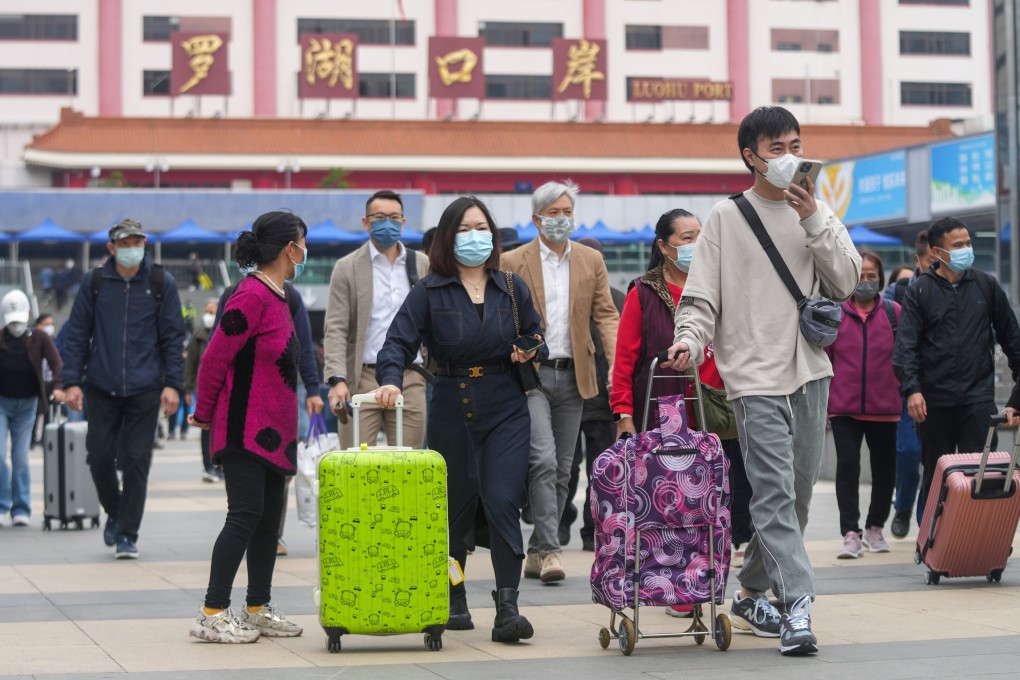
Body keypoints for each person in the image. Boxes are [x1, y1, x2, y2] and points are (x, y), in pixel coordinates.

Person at [666, 106, 861, 656]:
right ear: (751, 156)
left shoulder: (820, 214)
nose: (790, 157)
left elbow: (845, 282)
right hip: (752, 378)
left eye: (795, 144)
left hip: (810, 371)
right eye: (777, 148)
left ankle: (750, 592)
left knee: (796, 500)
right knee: (774, 495)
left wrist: (814, 220)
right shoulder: (725, 218)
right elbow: (701, 298)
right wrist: (690, 339)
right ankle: (797, 606)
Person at [374, 196, 547, 643]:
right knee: (452, 512)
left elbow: (536, 334)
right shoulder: (428, 291)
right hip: (451, 405)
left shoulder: (511, 287)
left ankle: (507, 607)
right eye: (466, 229)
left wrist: (529, 347)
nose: (476, 236)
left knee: (503, 500)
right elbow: (395, 344)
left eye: (482, 227)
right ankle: (454, 596)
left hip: (506, 405)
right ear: (449, 238)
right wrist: (390, 381)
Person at [610, 209, 754, 617]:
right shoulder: (643, 292)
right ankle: (679, 586)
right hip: (668, 411)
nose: (695, 245)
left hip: (721, 410)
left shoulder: (722, 286)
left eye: (700, 236)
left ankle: (713, 575)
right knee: (676, 505)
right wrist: (623, 414)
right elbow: (625, 361)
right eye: (686, 237)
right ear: (663, 246)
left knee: (724, 500)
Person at [188, 211, 308, 644]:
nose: (303, 252)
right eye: (301, 243)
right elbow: (215, 357)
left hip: (275, 433)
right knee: (244, 515)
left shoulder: (279, 295)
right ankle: (212, 610)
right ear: (287, 248)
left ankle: (257, 607)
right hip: (243, 428)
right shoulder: (251, 295)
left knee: (268, 519)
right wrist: (203, 413)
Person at [501, 180, 620, 584]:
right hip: (530, 376)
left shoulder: (590, 260)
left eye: (567, 212)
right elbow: (503, 317)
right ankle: (551, 551)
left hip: (576, 375)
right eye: (553, 213)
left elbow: (606, 314)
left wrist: (616, 365)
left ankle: (537, 548)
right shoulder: (512, 260)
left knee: (566, 468)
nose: (561, 219)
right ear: (536, 219)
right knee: (544, 459)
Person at [61, 219, 186, 559]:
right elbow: (76, 334)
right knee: (99, 457)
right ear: (112, 247)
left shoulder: (161, 282)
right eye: (126, 242)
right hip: (102, 385)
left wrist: (173, 385)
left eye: (139, 241)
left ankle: (128, 533)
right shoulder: (96, 281)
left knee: (135, 461)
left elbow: (173, 339)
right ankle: (115, 510)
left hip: (146, 388)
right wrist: (71, 381)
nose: (133, 248)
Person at [893, 216, 1020, 525]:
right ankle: (931, 541)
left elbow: (1013, 341)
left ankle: (978, 541)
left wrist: (1016, 399)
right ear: (937, 253)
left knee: (980, 475)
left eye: (969, 243)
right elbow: (905, 348)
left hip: (978, 403)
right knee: (937, 476)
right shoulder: (920, 291)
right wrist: (912, 390)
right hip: (934, 403)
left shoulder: (985, 285)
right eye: (958, 245)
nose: (967, 249)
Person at [215, 277, 322, 556]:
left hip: (286, 394)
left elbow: (305, 347)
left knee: (280, 471)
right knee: (247, 493)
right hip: (242, 399)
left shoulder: (291, 296)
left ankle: (273, 533)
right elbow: (217, 351)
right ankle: (254, 531)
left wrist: (312, 388)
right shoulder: (235, 294)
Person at [324, 190, 430, 449]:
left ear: (403, 223)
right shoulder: (347, 267)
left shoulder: (422, 264)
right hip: (362, 378)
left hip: (411, 377)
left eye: (394, 217)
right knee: (355, 465)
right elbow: (336, 328)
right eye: (380, 217)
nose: (388, 223)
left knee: (408, 466)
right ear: (366, 222)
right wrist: (337, 379)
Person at [825, 252, 901, 559]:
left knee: (885, 471)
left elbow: (906, 355)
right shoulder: (836, 314)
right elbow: (826, 360)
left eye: (872, 276)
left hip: (886, 407)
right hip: (844, 407)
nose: (866, 282)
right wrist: (825, 407)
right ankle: (851, 533)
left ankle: (874, 528)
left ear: (880, 279)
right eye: (860, 275)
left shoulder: (895, 313)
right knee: (847, 468)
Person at [562, 236, 624, 553]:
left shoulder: (618, 300)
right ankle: (560, 523)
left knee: (601, 471)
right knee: (565, 468)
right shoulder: (563, 300)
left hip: (605, 402)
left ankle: (593, 532)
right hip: (569, 398)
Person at [884, 232, 934, 538]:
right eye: (932, 260)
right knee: (908, 452)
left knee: (935, 456)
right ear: (919, 260)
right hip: (908, 387)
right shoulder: (899, 293)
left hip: (941, 388)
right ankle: (902, 507)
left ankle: (923, 519)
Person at [0, 291, 64, 527]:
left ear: (28, 314)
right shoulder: (1, 337)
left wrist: (58, 386)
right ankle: (2, 504)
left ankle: (21, 507)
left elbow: (56, 361)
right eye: (11, 320)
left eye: (20, 319)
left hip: (27, 405)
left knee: (20, 458)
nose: (16, 325)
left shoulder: (39, 337)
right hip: (2, 403)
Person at [185, 300, 222, 482]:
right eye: (207, 312)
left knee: (223, 429)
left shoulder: (225, 333)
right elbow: (190, 364)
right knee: (205, 429)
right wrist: (187, 388)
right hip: (204, 391)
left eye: (213, 312)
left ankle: (220, 466)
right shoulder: (198, 337)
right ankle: (208, 467)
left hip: (223, 391)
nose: (209, 316)